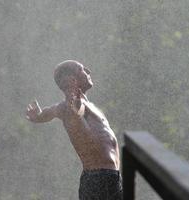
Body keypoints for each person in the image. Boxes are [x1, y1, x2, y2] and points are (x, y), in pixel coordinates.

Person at [26, 60, 123, 199]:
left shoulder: (89, 105)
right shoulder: (68, 106)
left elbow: (48, 112)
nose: (88, 71)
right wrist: (74, 109)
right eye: (82, 69)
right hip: (98, 178)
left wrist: (39, 115)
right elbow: (74, 111)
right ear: (72, 80)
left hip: (112, 177)